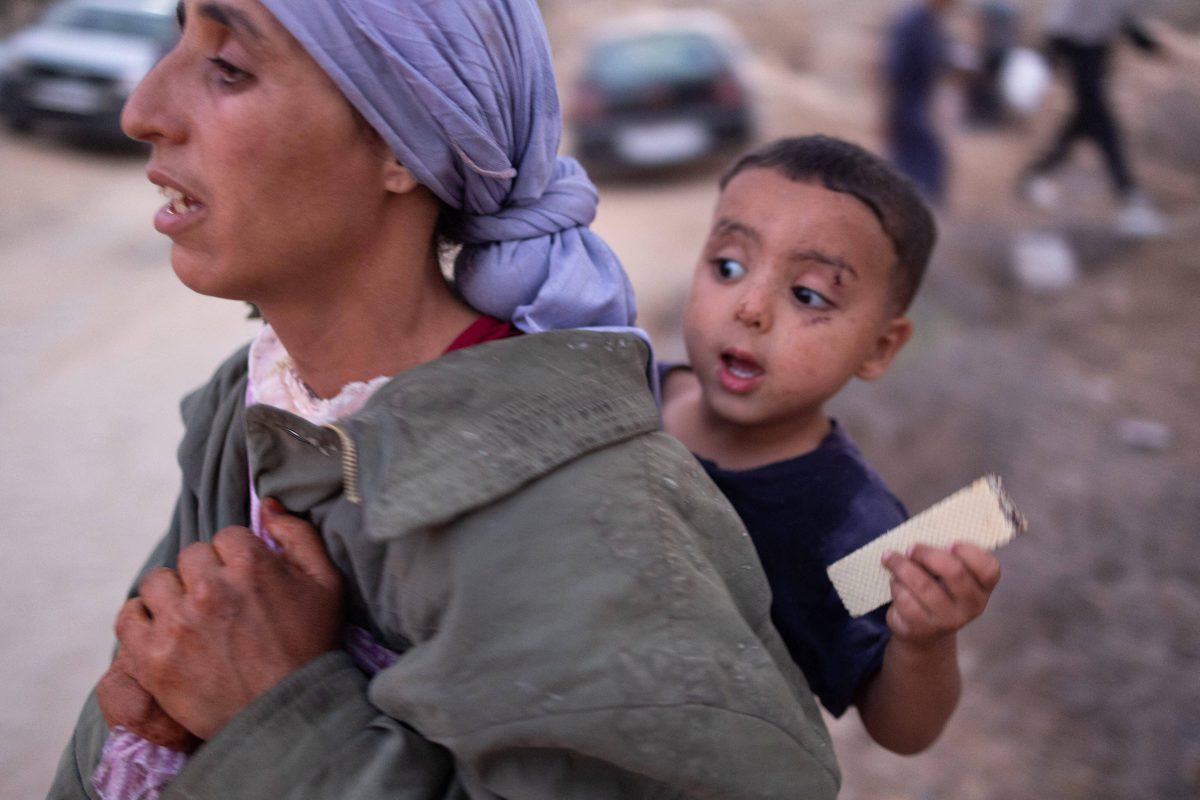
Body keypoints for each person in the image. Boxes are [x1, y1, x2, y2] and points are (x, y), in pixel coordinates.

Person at [47, 1, 841, 798]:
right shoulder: (251, 406)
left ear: (404, 145)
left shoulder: (594, 519)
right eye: (172, 41)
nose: (142, 110)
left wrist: (282, 724)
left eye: (228, 68)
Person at [660, 135, 1002, 755]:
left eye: (808, 295)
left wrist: (924, 642)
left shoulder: (849, 524)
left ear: (879, 348)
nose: (751, 307)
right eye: (729, 266)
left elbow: (901, 728)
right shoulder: (632, 392)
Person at [1018, 0, 1166, 236]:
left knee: (1084, 120)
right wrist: (1049, 54)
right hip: (1078, 46)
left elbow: (1116, 13)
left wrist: (1142, 40)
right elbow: (1067, 18)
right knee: (1101, 121)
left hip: (1096, 48)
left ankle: (1037, 174)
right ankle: (1128, 191)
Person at [882, 0, 958, 203]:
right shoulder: (911, 22)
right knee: (919, 152)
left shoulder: (932, 23)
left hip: (921, 98)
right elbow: (895, 68)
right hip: (906, 97)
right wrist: (890, 108)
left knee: (918, 154)